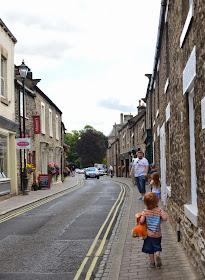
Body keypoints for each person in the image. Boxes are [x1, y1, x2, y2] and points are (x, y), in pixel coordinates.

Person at [140, 192, 167, 268]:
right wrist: (160, 218)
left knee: (150, 250)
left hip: (149, 234)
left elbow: (141, 222)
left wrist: (142, 219)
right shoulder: (159, 210)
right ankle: (157, 255)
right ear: (156, 201)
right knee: (157, 246)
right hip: (158, 233)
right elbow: (165, 218)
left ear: (145, 203)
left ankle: (152, 263)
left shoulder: (145, 212)